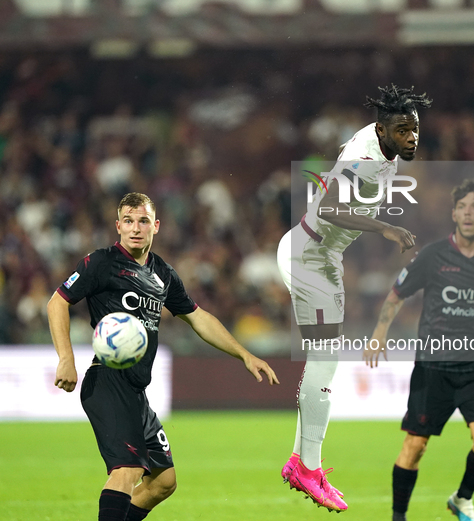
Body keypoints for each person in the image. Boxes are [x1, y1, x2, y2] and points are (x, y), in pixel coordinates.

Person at [47, 192, 279, 521]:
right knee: (126, 471)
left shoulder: (164, 275)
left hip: (136, 393)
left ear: (156, 226)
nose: (135, 228)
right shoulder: (101, 263)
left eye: (143, 221)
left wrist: (244, 354)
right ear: (118, 226)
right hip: (107, 382)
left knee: (163, 482)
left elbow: (198, 317)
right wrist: (65, 357)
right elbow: (57, 302)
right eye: (128, 221)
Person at [277, 85, 432, 512]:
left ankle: (300, 461)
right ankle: (308, 467)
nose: (411, 138)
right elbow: (327, 206)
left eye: (415, 129)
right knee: (326, 358)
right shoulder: (364, 158)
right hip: (308, 254)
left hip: (324, 257)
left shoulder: (384, 145)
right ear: (382, 130)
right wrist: (384, 227)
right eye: (402, 131)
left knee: (324, 358)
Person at [365, 178, 474, 521]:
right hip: (433, 368)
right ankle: (398, 518)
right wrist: (379, 331)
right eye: (462, 207)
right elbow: (397, 293)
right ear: (453, 214)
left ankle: (462, 498)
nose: (468, 212)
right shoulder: (433, 255)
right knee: (415, 447)